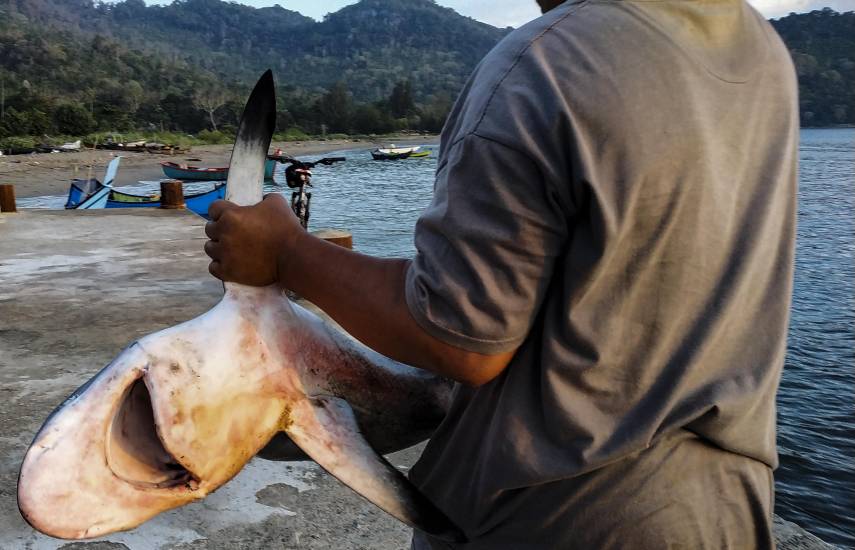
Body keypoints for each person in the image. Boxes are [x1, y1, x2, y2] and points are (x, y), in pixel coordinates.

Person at [204, 0, 798, 547]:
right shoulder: (760, 51)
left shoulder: (550, 60)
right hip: (729, 509)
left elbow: (461, 338)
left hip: (563, 514)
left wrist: (287, 254)